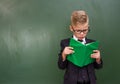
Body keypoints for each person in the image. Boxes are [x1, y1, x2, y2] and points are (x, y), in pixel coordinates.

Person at [58, 10, 103, 84]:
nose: (82, 34)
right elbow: (61, 66)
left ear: (88, 27)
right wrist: (64, 55)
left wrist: (98, 59)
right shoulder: (65, 43)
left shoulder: (92, 44)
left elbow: (98, 66)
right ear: (71, 28)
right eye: (78, 31)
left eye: (85, 30)